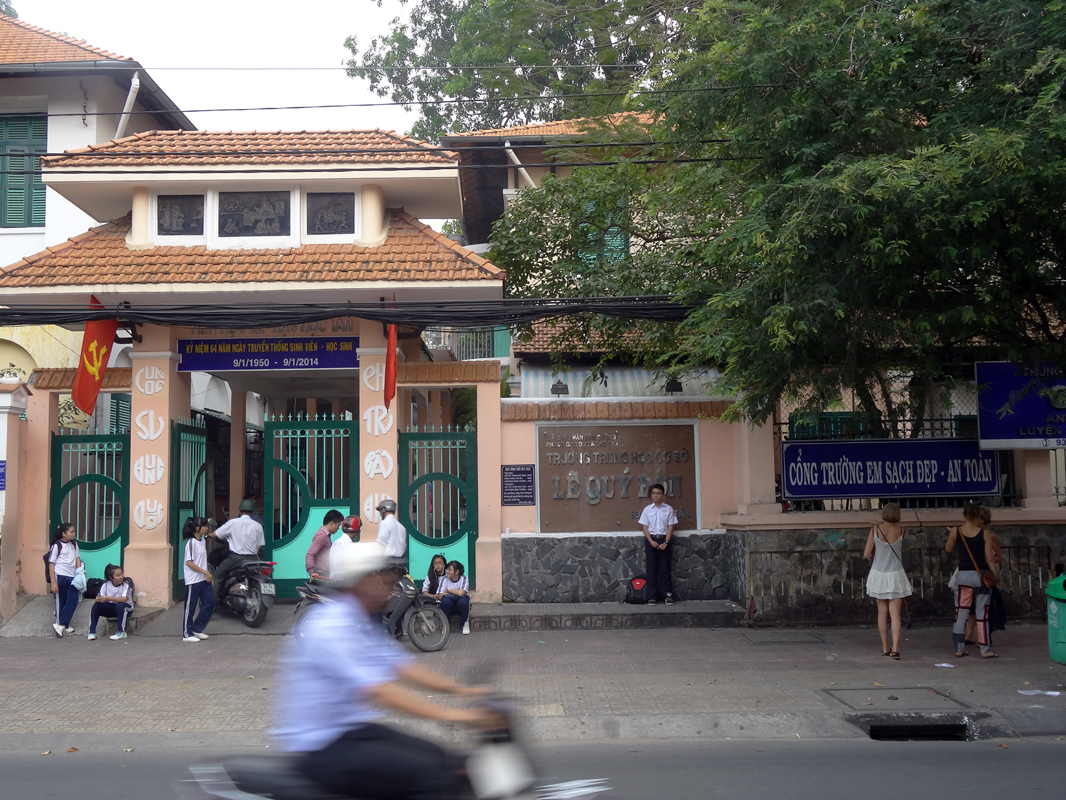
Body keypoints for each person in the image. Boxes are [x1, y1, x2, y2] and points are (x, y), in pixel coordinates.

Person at [270, 541, 502, 800]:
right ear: (362, 583)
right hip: (323, 747)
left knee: (438, 756)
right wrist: (460, 716)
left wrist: (466, 691)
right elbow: (381, 692)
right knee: (431, 774)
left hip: (351, 732)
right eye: (383, 581)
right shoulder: (332, 627)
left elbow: (403, 667)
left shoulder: (360, 621)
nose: (390, 589)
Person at [945, 503, 999, 658]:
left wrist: (953, 537)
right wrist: (995, 576)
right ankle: (985, 650)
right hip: (981, 576)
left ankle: (959, 648)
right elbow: (990, 558)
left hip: (963, 576)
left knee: (961, 613)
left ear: (964, 515)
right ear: (978, 516)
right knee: (982, 614)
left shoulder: (956, 531)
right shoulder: (985, 534)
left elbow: (948, 549)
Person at [863, 502, 912, 659]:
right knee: (895, 613)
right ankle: (896, 648)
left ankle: (885, 646)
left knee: (882, 613)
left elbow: (866, 554)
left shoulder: (875, 530)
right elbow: (891, 527)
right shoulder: (901, 530)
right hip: (895, 574)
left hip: (879, 574)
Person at [209, 499, 265, 596]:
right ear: (252, 512)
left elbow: (215, 534)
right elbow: (259, 545)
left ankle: (212, 602)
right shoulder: (258, 526)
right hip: (253, 559)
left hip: (235, 558)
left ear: (240, 511)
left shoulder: (233, 523)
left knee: (217, 576)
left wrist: (208, 535)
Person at [638, 483, 677, 605]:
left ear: (663, 495)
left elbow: (671, 527)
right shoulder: (647, 510)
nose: (656, 495)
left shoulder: (669, 509)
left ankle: (668, 595)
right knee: (651, 569)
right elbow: (645, 527)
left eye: (658, 493)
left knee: (665, 569)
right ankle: (652, 596)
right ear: (651, 495)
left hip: (664, 540)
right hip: (651, 540)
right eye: (654, 493)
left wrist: (666, 542)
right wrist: (651, 541)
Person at [182, 516, 216, 643]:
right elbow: (189, 563)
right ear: (197, 528)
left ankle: (197, 628)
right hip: (193, 580)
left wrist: (208, 574)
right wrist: (205, 572)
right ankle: (187, 633)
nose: (207, 528)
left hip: (203, 579)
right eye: (204, 526)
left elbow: (202, 561)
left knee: (210, 602)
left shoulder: (202, 541)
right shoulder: (191, 543)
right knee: (190, 608)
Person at [47, 522, 82, 638]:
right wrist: (53, 582)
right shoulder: (57, 545)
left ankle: (61, 624)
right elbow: (51, 564)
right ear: (63, 533)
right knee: (61, 601)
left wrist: (79, 573)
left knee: (73, 599)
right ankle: (62, 625)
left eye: (74, 531)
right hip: (60, 575)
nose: (74, 534)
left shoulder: (74, 544)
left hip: (72, 576)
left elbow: (77, 558)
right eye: (71, 532)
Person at [88, 564, 133, 641]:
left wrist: (108, 598)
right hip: (112, 608)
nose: (121, 577)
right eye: (118, 575)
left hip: (126, 608)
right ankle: (91, 632)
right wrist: (98, 599)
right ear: (111, 578)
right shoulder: (105, 584)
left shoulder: (126, 584)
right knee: (96, 606)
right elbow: (101, 596)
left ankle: (121, 632)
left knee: (120, 605)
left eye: (121, 574)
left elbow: (124, 599)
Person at [306, 509, 344, 580]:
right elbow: (310, 554)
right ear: (332, 523)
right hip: (321, 574)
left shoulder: (325, 535)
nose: (338, 528)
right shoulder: (322, 535)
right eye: (338, 525)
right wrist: (311, 572)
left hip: (325, 573)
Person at [438, 560, 472, 635]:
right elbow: (439, 595)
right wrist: (456, 592)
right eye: (447, 569)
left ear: (457, 571)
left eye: (450, 570)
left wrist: (449, 590)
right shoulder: (444, 579)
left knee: (463, 601)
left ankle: (465, 623)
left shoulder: (464, 578)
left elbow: (461, 593)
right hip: (449, 606)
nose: (447, 571)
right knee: (445, 601)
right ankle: (445, 624)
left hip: (461, 606)